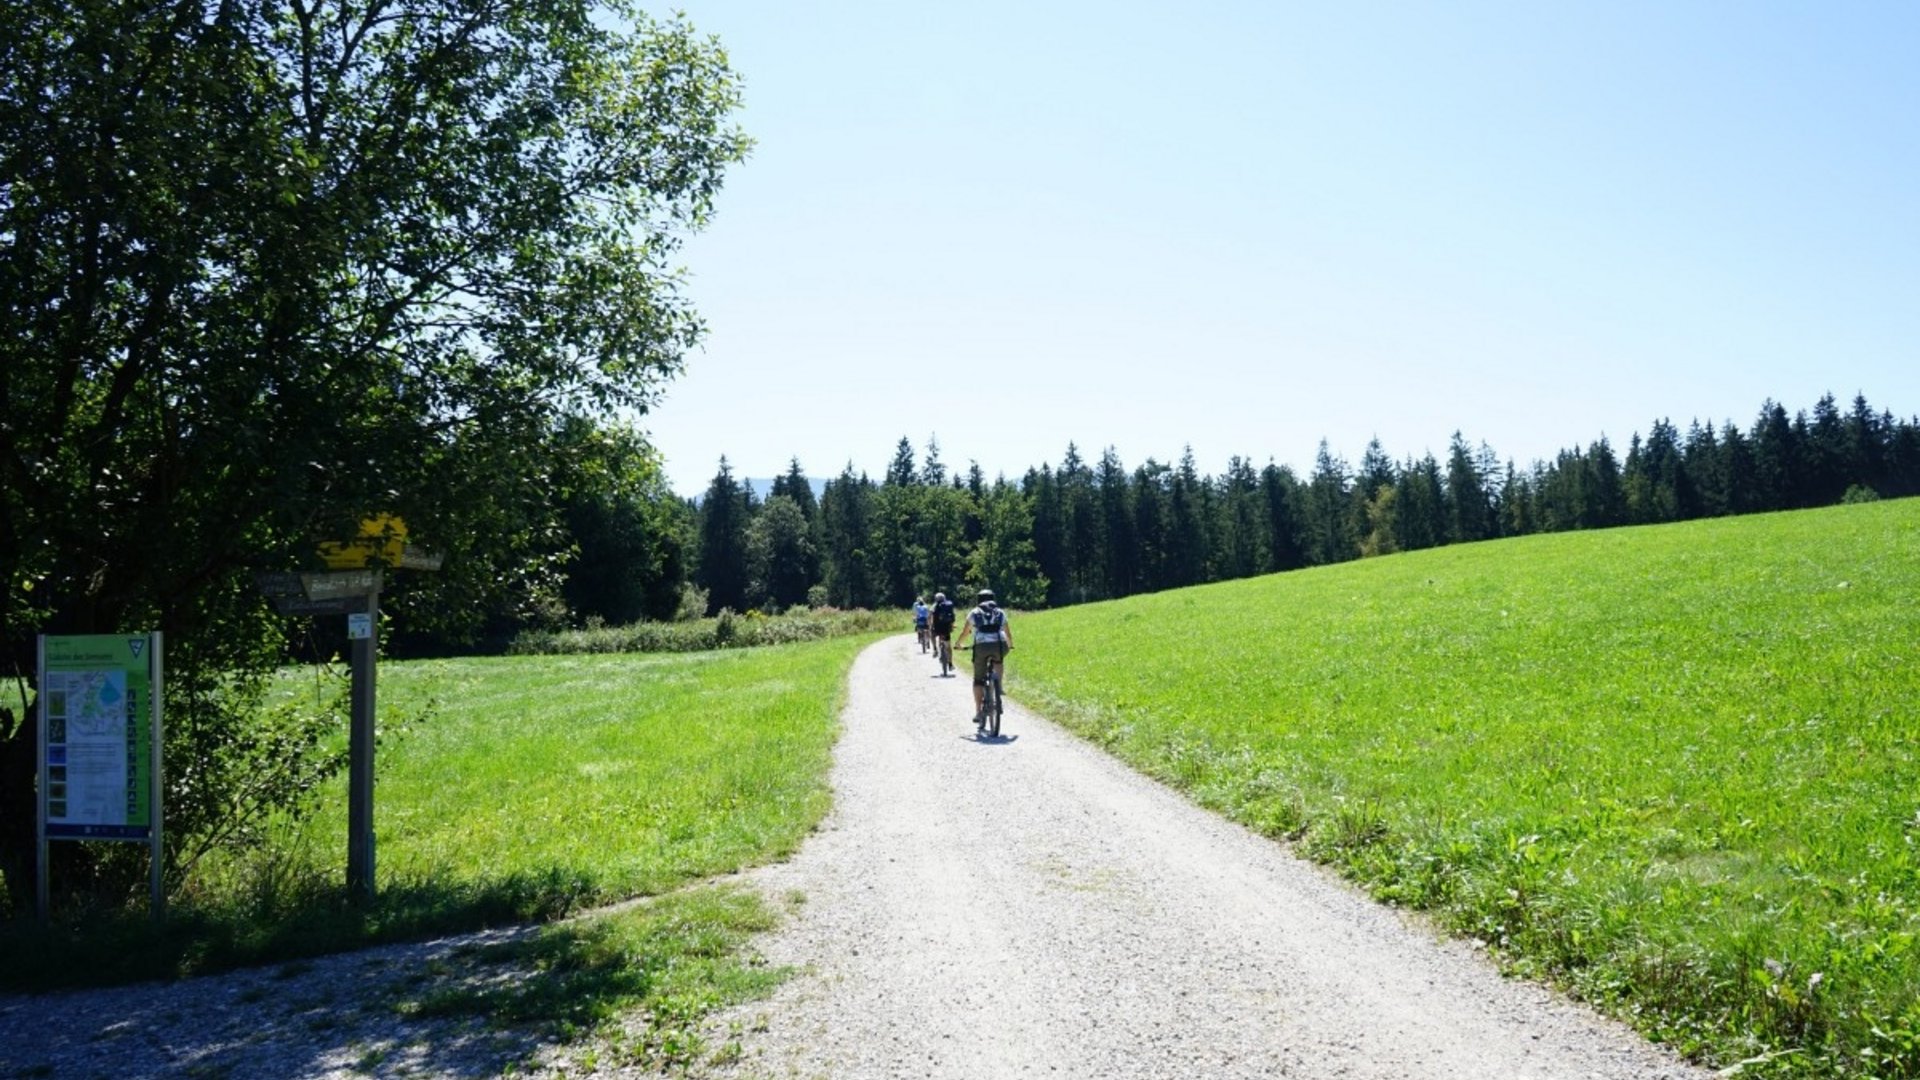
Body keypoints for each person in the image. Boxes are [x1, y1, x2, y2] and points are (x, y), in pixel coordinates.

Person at [953, 588, 1011, 727]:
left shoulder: (974, 612)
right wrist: (1010, 645)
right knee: (998, 660)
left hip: (982, 646)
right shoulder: (1000, 612)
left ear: (979, 600)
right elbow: (1008, 633)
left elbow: (965, 632)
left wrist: (958, 644)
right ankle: (999, 686)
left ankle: (978, 712)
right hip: (1000, 644)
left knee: (978, 680)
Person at [929, 591, 957, 673]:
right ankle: (951, 664)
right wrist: (951, 626)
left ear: (936, 599)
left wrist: (930, 625)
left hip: (937, 629)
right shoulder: (948, 605)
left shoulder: (934, 606)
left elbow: (929, 616)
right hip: (946, 629)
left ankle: (934, 649)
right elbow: (952, 616)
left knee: (931, 634)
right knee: (948, 647)